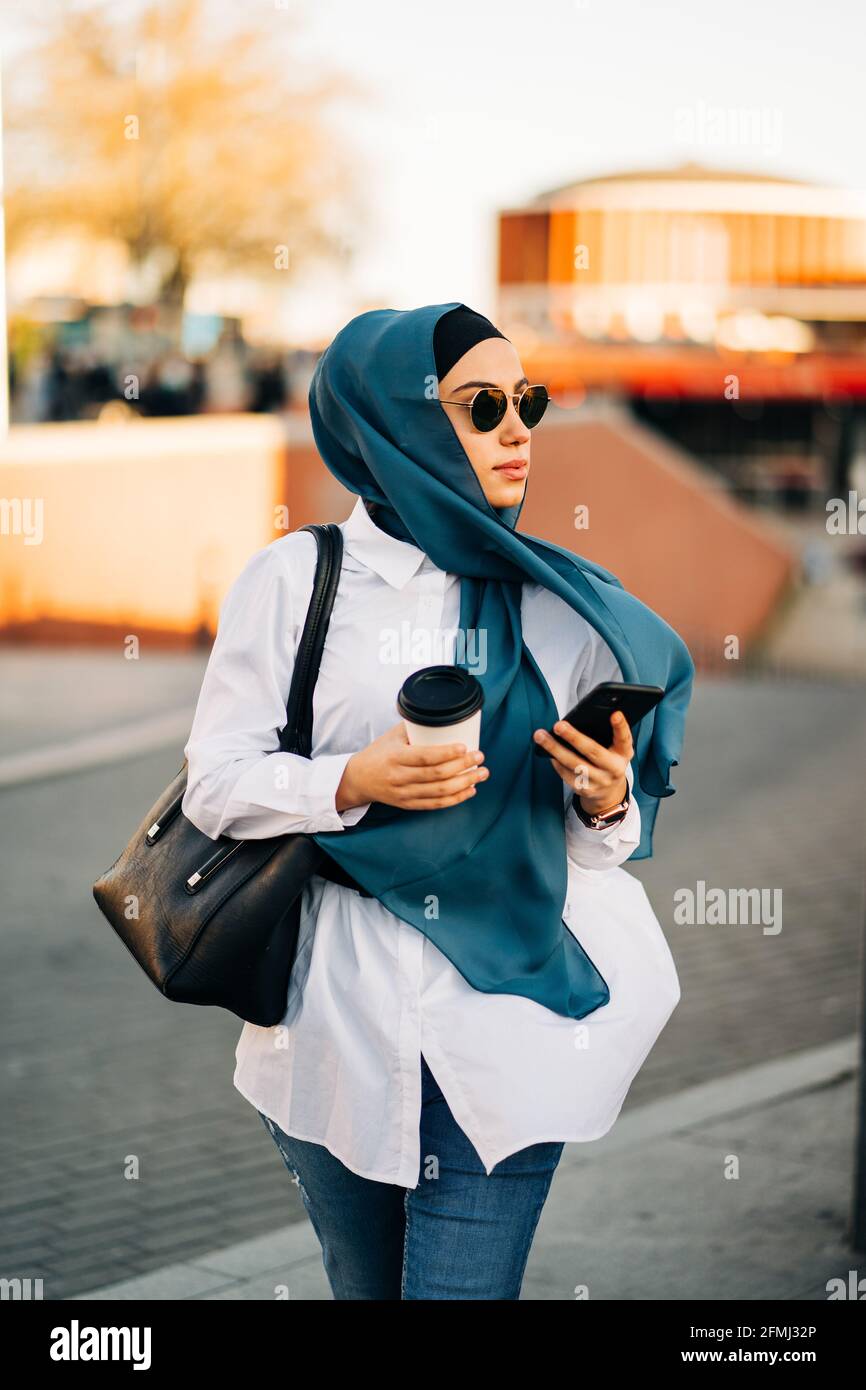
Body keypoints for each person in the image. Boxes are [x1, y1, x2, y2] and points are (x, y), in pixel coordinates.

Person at [181, 302, 694, 1300]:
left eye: (528, 401)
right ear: (393, 421)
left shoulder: (557, 604)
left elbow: (594, 848)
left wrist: (599, 801)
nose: (517, 429)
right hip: (334, 1026)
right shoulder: (296, 580)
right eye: (481, 404)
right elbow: (213, 783)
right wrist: (347, 781)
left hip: (508, 1021)